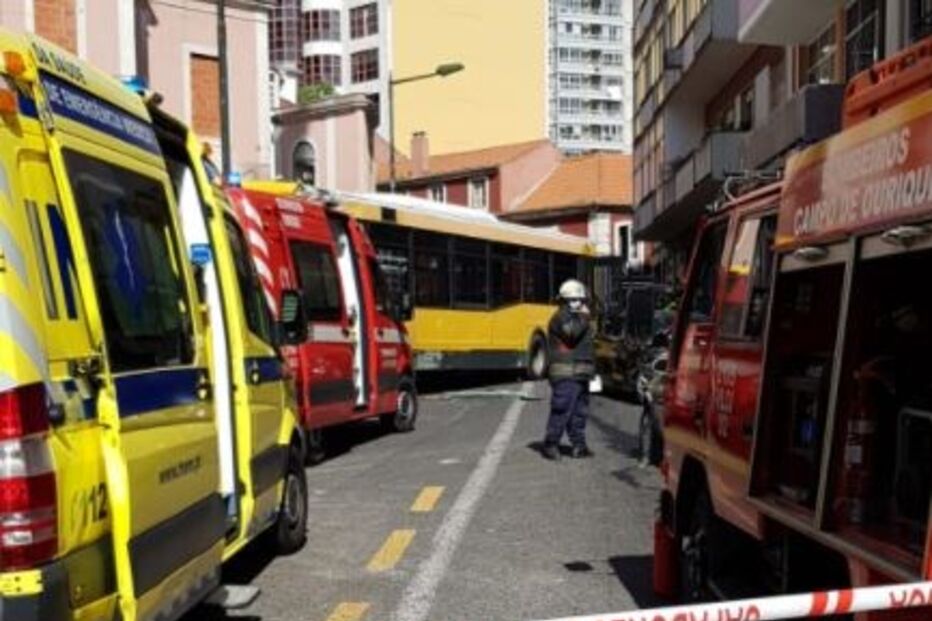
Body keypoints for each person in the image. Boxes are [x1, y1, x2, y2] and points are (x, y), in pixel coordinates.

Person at [542, 279, 596, 461]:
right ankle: (551, 444)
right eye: (578, 300)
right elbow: (571, 334)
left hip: (580, 372)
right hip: (566, 372)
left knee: (579, 412)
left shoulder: (577, 316)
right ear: (568, 300)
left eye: (582, 300)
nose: (582, 304)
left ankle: (579, 446)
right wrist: (585, 317)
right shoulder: (560, 317)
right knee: (562, 409)